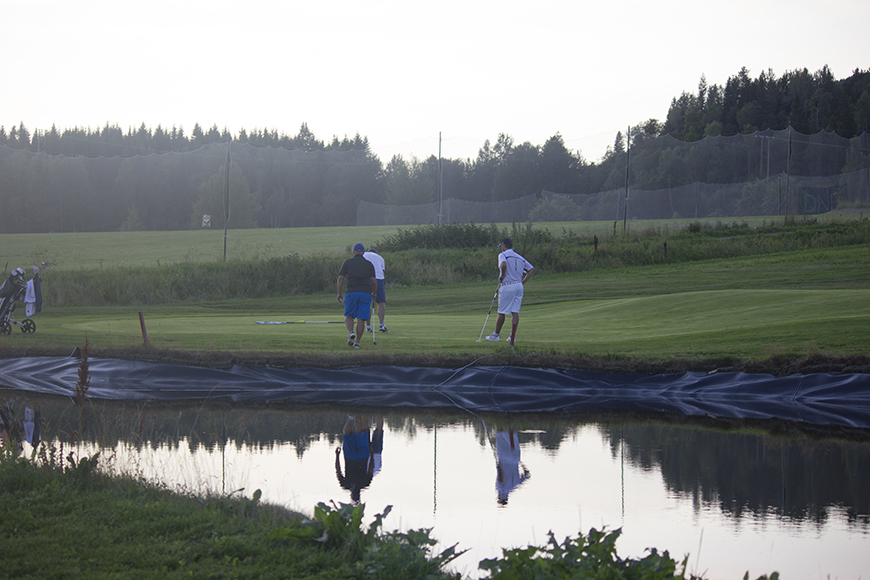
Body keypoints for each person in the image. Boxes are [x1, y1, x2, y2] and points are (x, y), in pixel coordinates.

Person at [485, 238, 535, 346]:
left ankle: (496, 335)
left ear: (503, 245)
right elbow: (531, 269)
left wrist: (502, 275)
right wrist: (523, 282)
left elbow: (503, 265)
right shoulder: (519, 257)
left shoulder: (503, 255)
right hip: (518, 286)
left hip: (507, 286)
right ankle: (512, 337)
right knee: (515, 312)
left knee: (501, 312)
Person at [336, 243, 377, 349]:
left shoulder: (347, 262)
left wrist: (339, 293)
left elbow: (340, 278)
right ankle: (357, 343)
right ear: (363, 253)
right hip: (365, 293)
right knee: (361, 319)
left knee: (348, 315)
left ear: (354, 252)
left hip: (352, 292)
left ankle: (351, 332)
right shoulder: (369, 264)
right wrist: (374, 293)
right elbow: (373, 281)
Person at [335, 415, 375, 503]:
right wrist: (337, 456)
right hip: (350, 457)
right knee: (346, 434)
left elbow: (371, 468)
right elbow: (338, 470)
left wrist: (372, 454)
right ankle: (351, 417)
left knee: (359, 432)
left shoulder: (365, 483)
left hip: (362, 456)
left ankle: (355, 414)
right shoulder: (345, 485)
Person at [363, 247, 388, 333]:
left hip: (366, 278)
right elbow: (382, 270)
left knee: (367, 302)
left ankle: (368, 326)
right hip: (378, 279)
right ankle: (381, 324)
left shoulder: (363, 254)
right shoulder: (380, 257)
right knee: (380, 302)